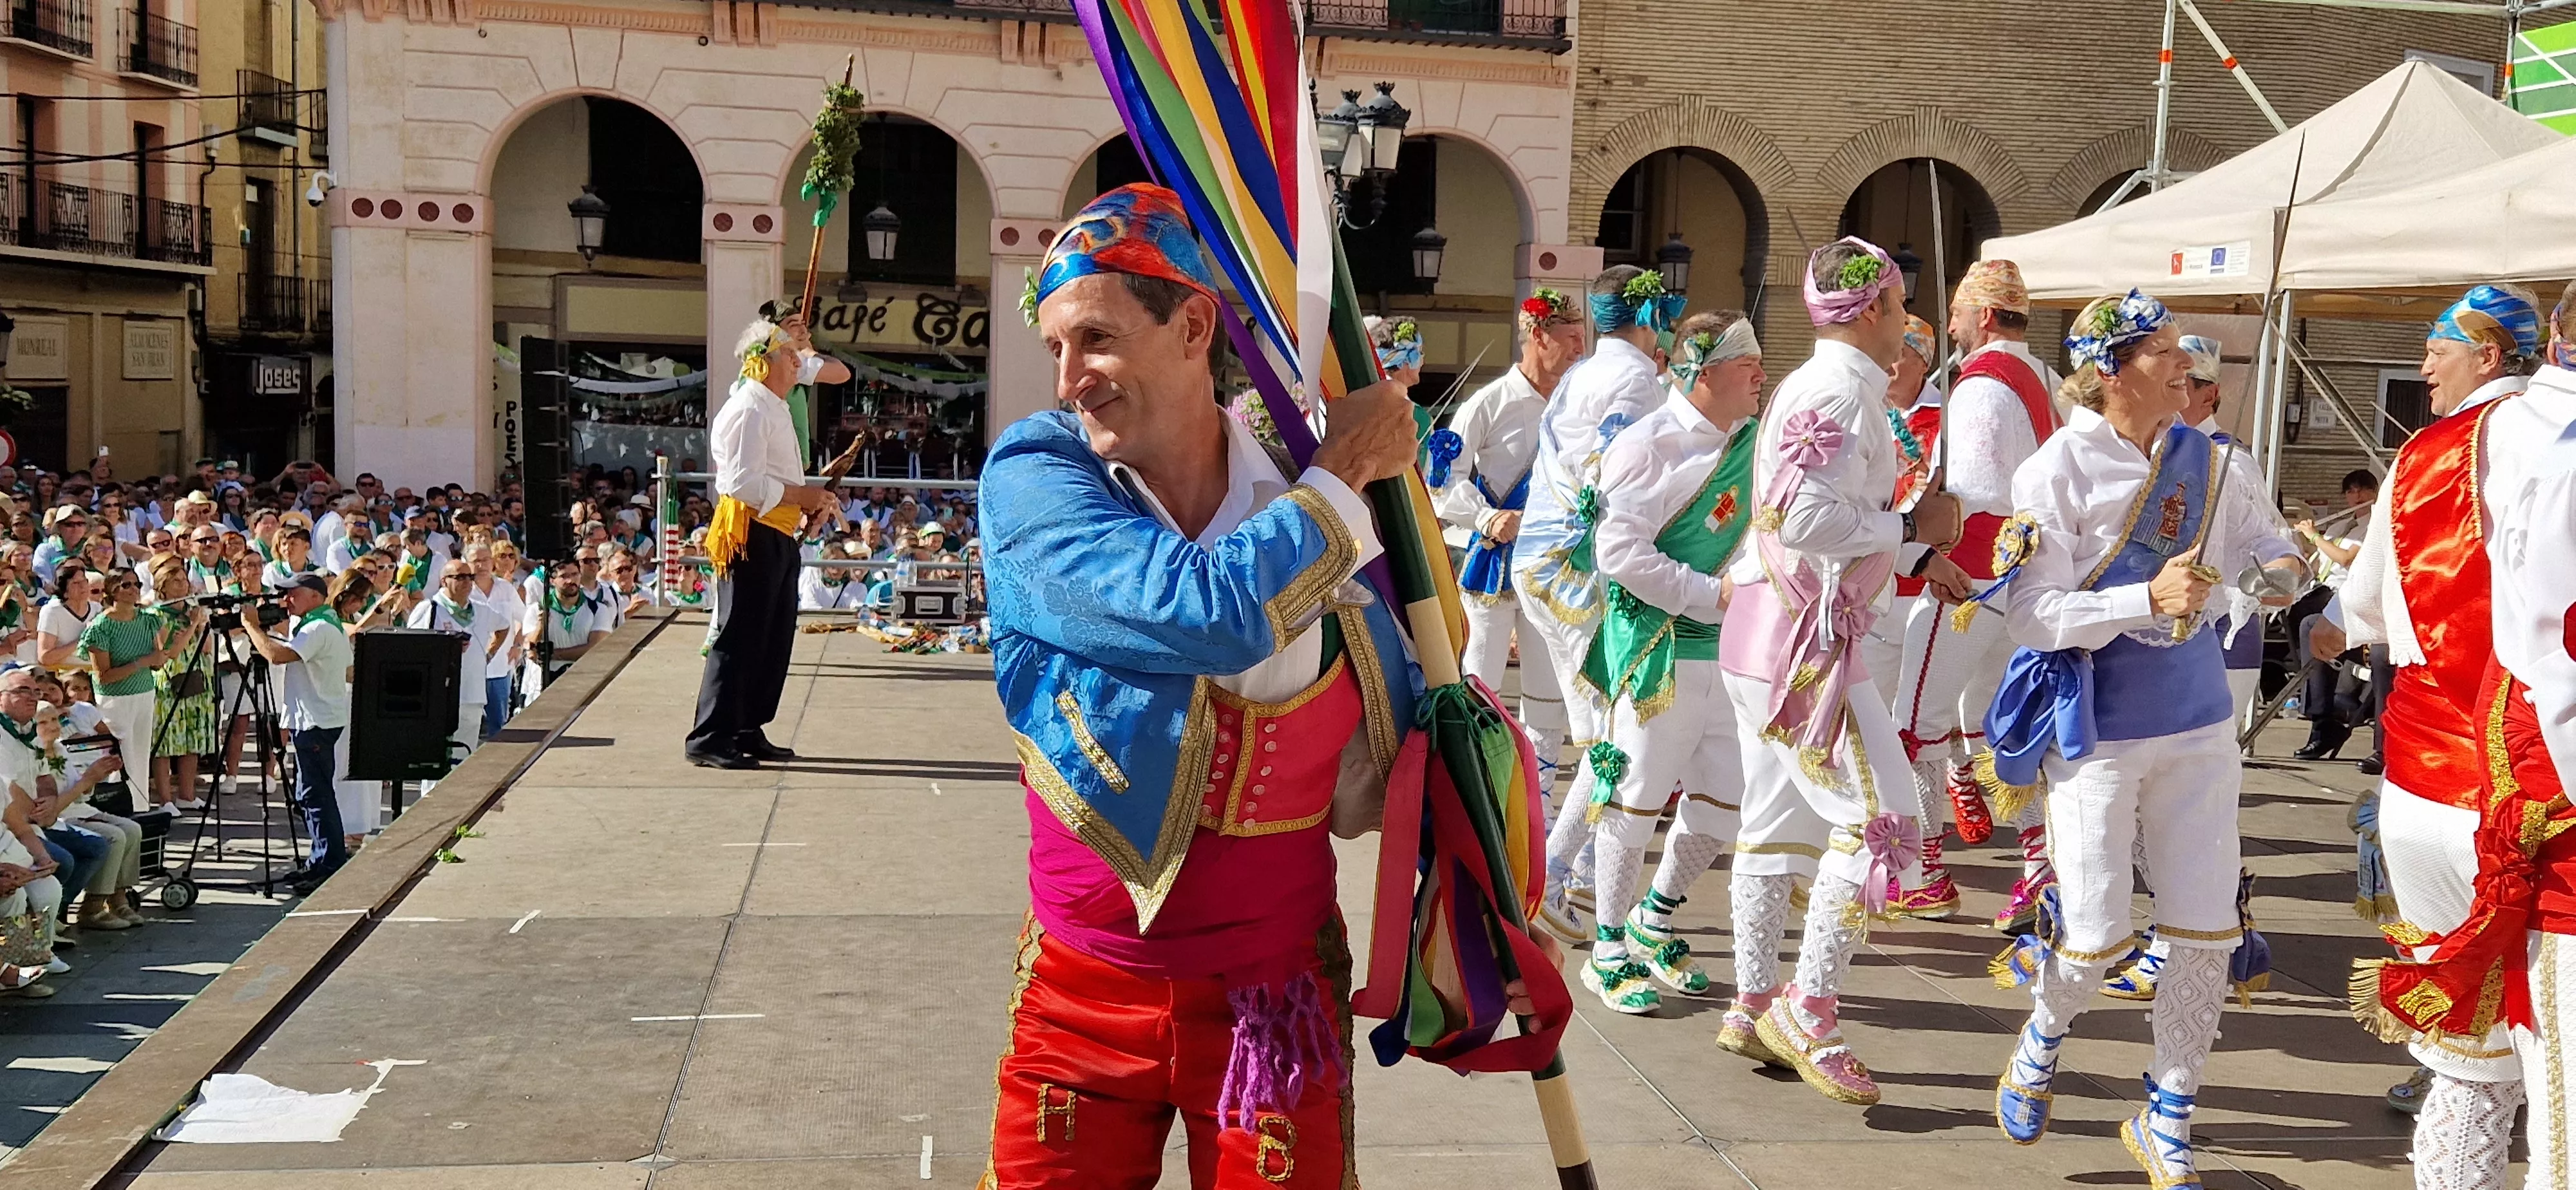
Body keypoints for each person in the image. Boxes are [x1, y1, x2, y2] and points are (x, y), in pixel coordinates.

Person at [978, 183, 1438, 1184]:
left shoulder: (1308, 490)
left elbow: (1416, 725)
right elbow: (1203, 612)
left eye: (1095, 339)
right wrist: (1343, 473)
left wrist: (1488, 902)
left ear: (1192, 327)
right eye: (1056, 346)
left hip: (1278, 1004)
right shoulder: (1034, 476)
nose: (1068, 379)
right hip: (1081, 996)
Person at [1985, 290, 2305, 1186]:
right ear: (2112, 369)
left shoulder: (2215, 459)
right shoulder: (2055, 469)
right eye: (2164, 351)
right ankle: (2043, 1034)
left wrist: (2278, 573)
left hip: (2199, 722)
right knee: (2094, 932)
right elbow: (2032, 615)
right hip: (2101, 728)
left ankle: (2169, 1109)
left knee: (2204, 930)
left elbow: (2268, 545)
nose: (2186, 366)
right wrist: (2143, 598)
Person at [1715, 237, 1968, 1107]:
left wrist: (1913, 550)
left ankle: (1754, 1000)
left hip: (1771, 633)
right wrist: (1914, 529)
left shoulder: (1820, 382)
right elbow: (1805, 521)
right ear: (1871, 311)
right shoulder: (1842, 393)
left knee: (1772, 816)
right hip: (1807, 650)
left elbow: (1815, 517)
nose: (1907, 325)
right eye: (1899, 306)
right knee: (1883, 821)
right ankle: (1807, 1011)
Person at [2319, 284, 2546, 1175]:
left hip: (2425, 785)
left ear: (2488, 355)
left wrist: (2332, 629)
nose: (2422, 367)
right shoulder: (2554, 441)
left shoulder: (2426, 453)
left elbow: (2366, 605)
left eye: (2436, 349)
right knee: (2551, 1072)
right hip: (2529, 790)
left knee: (2467, 1065)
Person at [1571, 310, 1763, 1015]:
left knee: (1724, 801)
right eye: (1748, 365)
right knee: (1636, 799)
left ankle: (1655, 918)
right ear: (1704, 373)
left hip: (1733, 651)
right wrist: (1713, 593)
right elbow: (1619, 554)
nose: (1761, 377)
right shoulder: (1646, 444)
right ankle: (1607, 948)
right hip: (1660, 649)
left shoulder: (1754, 442)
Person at [1887, 259, 2062, 927]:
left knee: (1916, 721)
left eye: (1959, 314)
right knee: (1989, 725)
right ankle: (2038, 865)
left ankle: (1922, 871)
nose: (1953, 326)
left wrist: (1923, 522)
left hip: (1970, 573)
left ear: (1984, 316)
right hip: (2021, 573)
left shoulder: (1982, 382)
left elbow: (1975, 490)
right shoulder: (2042, 376)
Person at [1519, 265, 1687, 936]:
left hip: (1544, 563)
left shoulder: (1586, 371)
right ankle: (1554, 874)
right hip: (1577, 573)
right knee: (1610, 735)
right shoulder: (1635, 380)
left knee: (1598, 732)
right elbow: (1624, 477)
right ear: (1647, 318)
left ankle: (1578, 866)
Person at [1426, 286, 1584, 775]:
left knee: (1547, 696)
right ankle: (1478, 790)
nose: (1581, 349)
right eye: (1572, 338)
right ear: (1539, 336)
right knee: (1481, 688)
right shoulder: (1488, 403)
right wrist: (1488, 517)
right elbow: (1441, 481)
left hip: (1553, 569)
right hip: (1494, 564)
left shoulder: (1578, 405)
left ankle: (1539, 801)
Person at [686, 310, 849, 769]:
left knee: (770, 639)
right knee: (740, 636)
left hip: (776, 531)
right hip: (751, 532)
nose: (798, 361)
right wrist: (801, 495)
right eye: (790, 354)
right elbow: (739, 482)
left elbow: (772, 478)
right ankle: (710, 736)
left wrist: (808, 503)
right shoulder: (750, 406)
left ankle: (745, 725)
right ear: (764, 361)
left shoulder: (772, 405)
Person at [244, 572, 355, 894]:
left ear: (315, 597)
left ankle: (329, 864)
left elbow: (277, 656)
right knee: (311, 794)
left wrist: (251, 626)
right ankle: (320, 860)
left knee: (316, 796)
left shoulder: (318, 628)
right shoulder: (323, 622)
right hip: (317, 719)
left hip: (316, 721)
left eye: (294, 594)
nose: (287, 600)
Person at [73, 569, 176, 809]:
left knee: (140, 756)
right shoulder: (101, 627)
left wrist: (163, 652)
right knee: (121, 757)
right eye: (126, 585)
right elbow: (104, 676)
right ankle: (120, 808)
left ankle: (140, 808)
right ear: (112, 591)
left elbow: (157, 660)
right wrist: (143, 662)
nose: (134, 589)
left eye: (136, 584)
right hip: (115, 700)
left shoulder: (148, 619)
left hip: (145, 693)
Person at [410, 558, 492, 773]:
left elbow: (504, 626)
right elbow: (413, 648)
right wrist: (447, 649)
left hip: (472, 694)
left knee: (464, 758)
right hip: (440, 696)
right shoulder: (430, 608)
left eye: (470, 577)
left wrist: (490, 654)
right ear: (444, 581)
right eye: (460, 577)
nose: (467, 582)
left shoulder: (481, 609)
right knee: (437, 758)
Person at [148, 556, 214, 813]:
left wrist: (201, 624)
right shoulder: (157, 615)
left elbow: (206, 648)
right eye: (175, 581)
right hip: (169, 682)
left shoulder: (191, 611)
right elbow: (170, 652)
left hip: (196, 677)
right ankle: (165, 799)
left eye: (184, 580)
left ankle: (187, 795)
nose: (182, 585)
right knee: (166, 743)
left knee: (191, 739)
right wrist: (193, 624)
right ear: (162, 587)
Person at [527, 563, 607, 689]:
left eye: (575, 575)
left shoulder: (598, 609)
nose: (570, 581)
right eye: (564, 576)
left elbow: (595, 648)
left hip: (584, 680)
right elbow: (531, 650)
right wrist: (540, 627)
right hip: (544, 682)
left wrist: (551, 655)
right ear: (552, 581)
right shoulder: (537, 609)